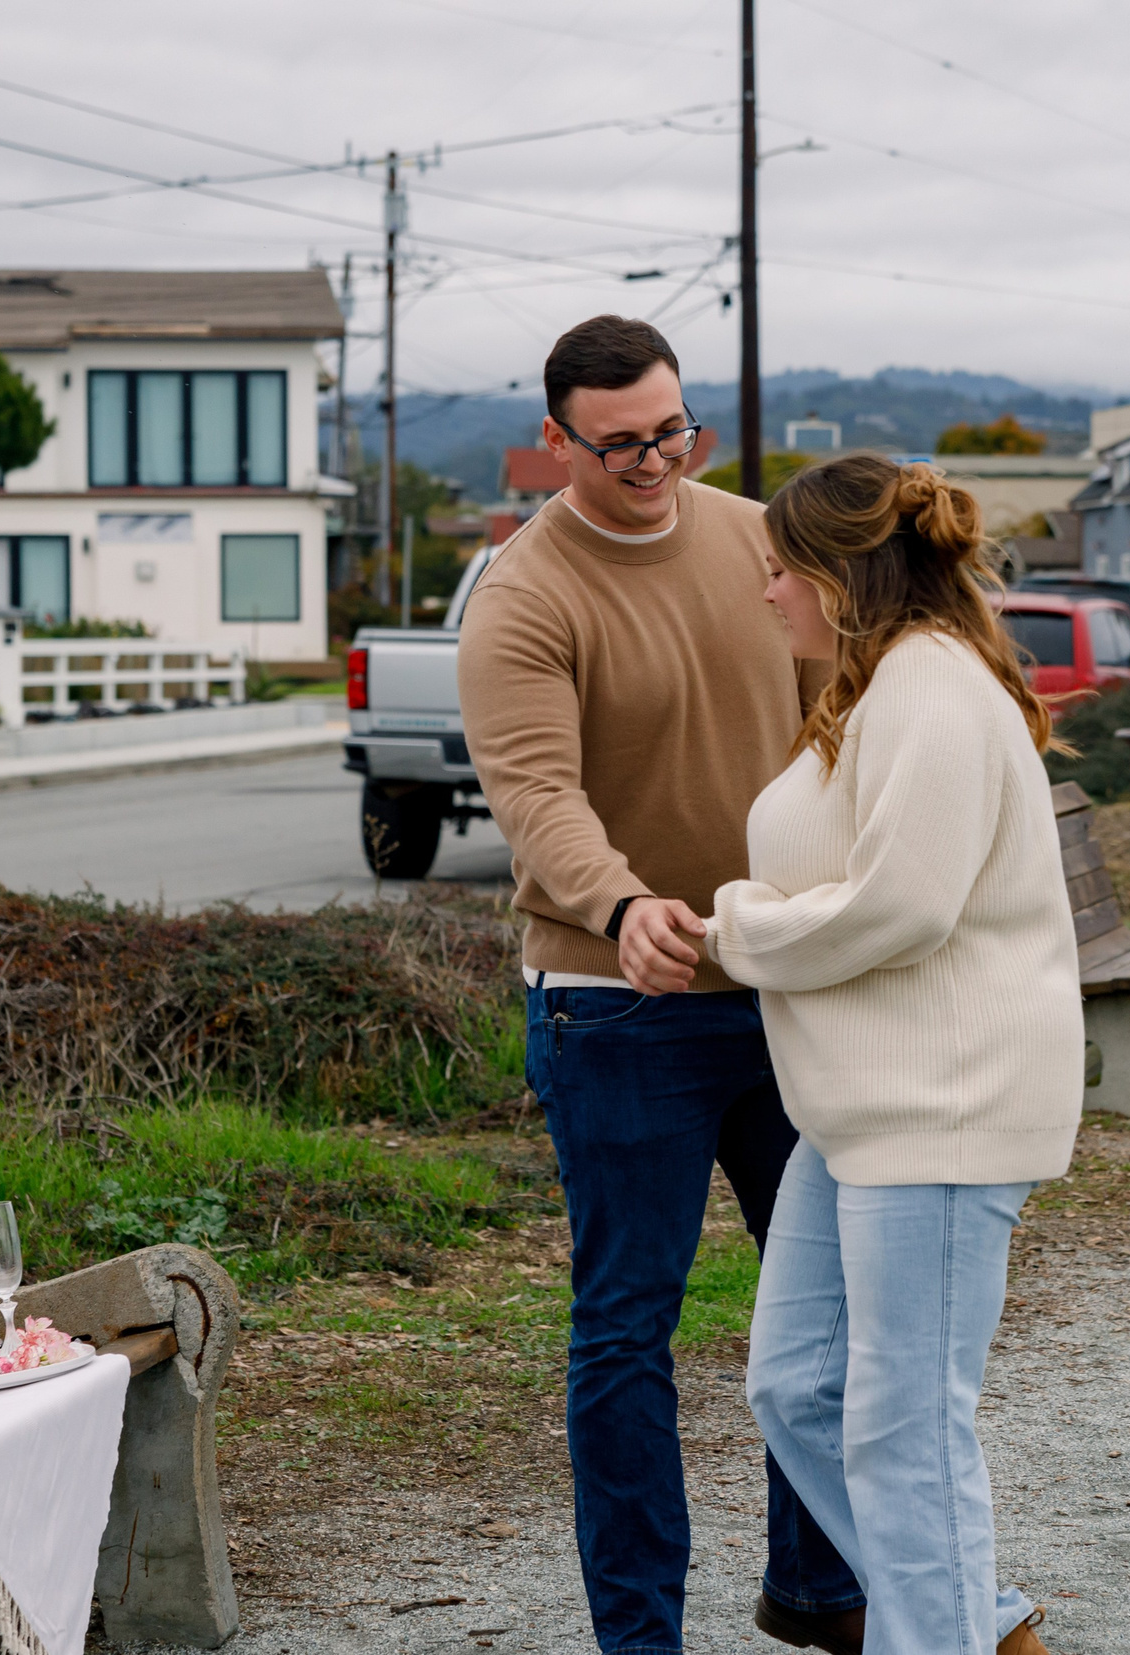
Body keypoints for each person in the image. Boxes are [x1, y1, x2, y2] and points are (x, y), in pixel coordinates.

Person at [458, 316, 867, 1655]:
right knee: (628, 1330)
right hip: (615, 1009)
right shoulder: (525, 594)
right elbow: (536, 795)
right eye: (621, 441)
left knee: (830, 1302)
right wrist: (626, 903)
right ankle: (641, 1636)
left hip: (784, 985)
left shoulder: (761, 539)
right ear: (557, 442)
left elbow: (842, 714)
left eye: (673, 431)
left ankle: (819, 1587)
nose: (655, 460)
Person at [705, 454, 1084, 1655]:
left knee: (906, 1426)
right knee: (800, 1388)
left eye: (779, 569)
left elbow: (903, 905)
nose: (766, 593)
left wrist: (736, 929)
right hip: (863, 1109)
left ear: (834, 573)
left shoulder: (928, 687)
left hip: (942, 1105)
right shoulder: (875, 688)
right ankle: (975, 1620)